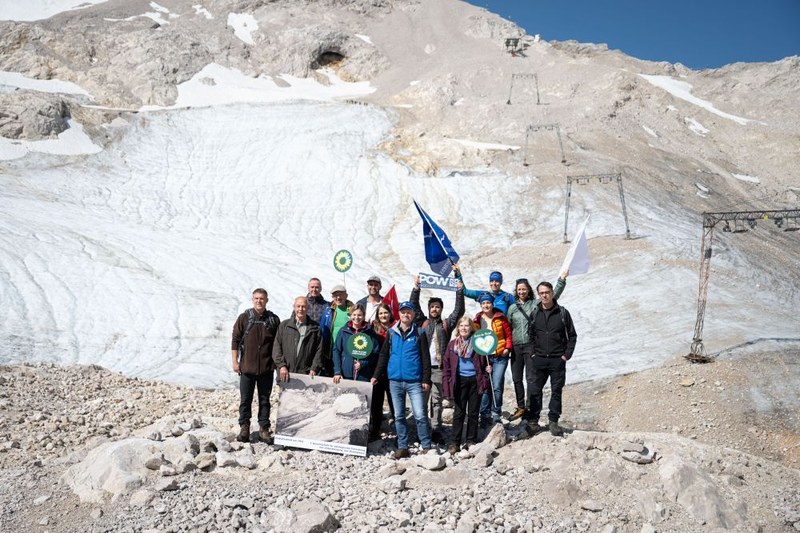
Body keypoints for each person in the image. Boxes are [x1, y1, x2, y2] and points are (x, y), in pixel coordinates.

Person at [372, 300, 432, 459]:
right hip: (395, 381)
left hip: (414, 381)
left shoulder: (419, 333)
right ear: (399, 314)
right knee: (398, 416)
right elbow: (384, 355)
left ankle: (426, 445)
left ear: (413, 315)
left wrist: (426, 379)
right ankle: (403, 446)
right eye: (403, 311)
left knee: (419, 414)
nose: (406, 314)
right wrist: (376, 375)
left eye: (409, 312)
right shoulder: (392, 333)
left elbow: (425, 358)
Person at [410, 275, 465, 444]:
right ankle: (421, 430)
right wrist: (416, 288)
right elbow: (414, 306)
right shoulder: (423, 323)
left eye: (437, 307)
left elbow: (458, 311)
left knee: (437, 402)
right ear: (429, 309)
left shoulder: (446, 324)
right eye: (432, 307)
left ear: (441, 309)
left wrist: (459, 291)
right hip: (423, 369)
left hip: (439, 368)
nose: (434, 309)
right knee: (422, 402)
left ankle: (436, 430)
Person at [506, 273, 568, 421]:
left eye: (524, 289)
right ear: (516, 291)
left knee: (531, 378)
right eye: (519, 289)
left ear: (528, 290)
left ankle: (528, 407)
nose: (521, 292)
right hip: (515, 346)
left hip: (529, 346)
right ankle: (520, 406)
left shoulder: (534, 304)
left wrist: (562, 280)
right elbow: (508, 327)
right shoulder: (512, 308)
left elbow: (553, 296)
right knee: (516, 378)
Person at [527, 281, 578, 437]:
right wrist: (533, 354)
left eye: (547, 292)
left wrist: (566, 355)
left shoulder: (563, 313)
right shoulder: (535, 313)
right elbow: (530, 336)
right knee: (535, 391)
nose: (544, 295)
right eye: (541, 293)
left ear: (552, 293)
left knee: (556, 391)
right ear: (538, 295)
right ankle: (533, 422)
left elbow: (572, 336)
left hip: (557, 359)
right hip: (539, 359)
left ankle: (553, 421)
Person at [230, 288, 280, 444]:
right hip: (247, 367)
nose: (259, 301)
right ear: (253, 300)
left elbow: (278, 344)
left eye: (262, 298)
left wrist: (277, 365)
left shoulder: (273, 320)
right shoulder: (244, 318)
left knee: (264, 400)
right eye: (256, 298)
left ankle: (264, 429)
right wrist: (235, 361)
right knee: (246, 399)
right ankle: (244, 427)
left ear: (267, 300)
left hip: (266, 368)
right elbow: (235, 340)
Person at [333, 304, 382, 440]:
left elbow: (376, 353)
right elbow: (336, 351)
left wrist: (364, 363)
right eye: (354, 314)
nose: (357, 317)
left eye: (359, 315)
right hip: (346, 375)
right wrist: (337, 371)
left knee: (362, 406)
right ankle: (343, 436)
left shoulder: (369, 332)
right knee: (346, 405)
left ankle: (360, 438)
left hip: (363, 376)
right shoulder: (344, 331)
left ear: (363, 316)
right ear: (350, 315)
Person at [442, 316, 489, 454]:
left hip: (475, 380)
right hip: (459, 380)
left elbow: (486, 363)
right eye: (461, 326)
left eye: (466, 326)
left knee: (474, 412)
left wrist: (487, 371)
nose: (464, 328)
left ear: (471, 328)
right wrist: (447, 385)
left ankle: (471, 440)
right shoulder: (452, 345)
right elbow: (447, 366)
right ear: (458, 328)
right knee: (459, 412)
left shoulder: (479, 343)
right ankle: (455, 442)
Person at [473, 293, 513, 426]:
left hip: (500, 356)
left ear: (492, 304)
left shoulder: (500, 317)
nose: (486, 305)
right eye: (483, 303)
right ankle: (484, 414)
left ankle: (496, 412)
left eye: (488, 303)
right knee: (485, 386)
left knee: (496, 385)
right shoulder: (477, 320)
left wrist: (507, 348)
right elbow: (475, 337)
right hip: (485, 357)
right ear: (481, 305)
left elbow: (508, 335)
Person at [273, 296, 323, 381]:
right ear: (294, 307)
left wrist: (314, 368)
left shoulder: (315, 328)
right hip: (285, 373)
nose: (301, 309)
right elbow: (276, 347)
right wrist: (282, 366)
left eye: (303, 306)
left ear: (308, 308)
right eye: (298, 306)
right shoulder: (284, 325)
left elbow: (319, 351)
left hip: (305, 375)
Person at [319, 284, 355, 376]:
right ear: (332, 297)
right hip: (330, 350)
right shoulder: (328, 311)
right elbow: (322, 329)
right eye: (335, 295)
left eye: (341, 294)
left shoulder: (353, 311)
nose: (338, 297)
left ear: (346, 295)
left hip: (347, 351)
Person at [370, 302, 396, 422]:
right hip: (377, 369)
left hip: (392, 369)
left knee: (394, 400)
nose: (383, 315)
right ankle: (376, 428)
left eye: (386, 312)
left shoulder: (396, 328)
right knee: (376, 400)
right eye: (380, 313)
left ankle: (397, 427)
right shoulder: (372, 328)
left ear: (390, 314)